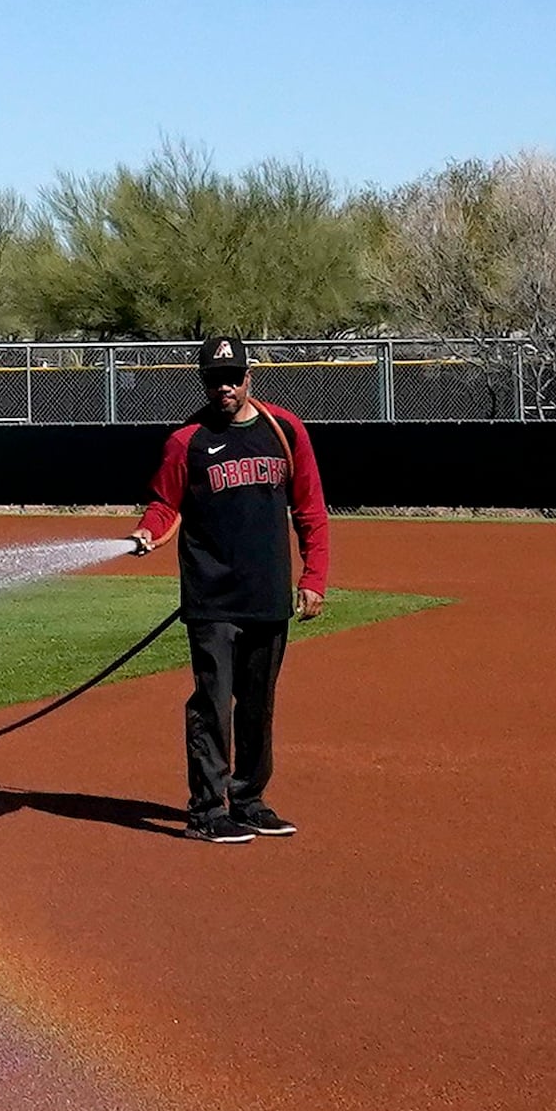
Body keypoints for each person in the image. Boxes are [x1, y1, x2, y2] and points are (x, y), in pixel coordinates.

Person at [119, 335, 331, 841]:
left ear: (249, 376)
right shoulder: (186, 440)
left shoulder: (284, 430)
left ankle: (249, 799)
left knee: (259, 704)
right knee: (212, 703)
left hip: (267, 592)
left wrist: (314, 576)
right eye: (216, 379)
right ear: (204, 382)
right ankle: (205, 810)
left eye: (234, 376)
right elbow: (164, 503)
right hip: (211, 595)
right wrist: (149, 529)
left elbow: (310, 508)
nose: (226, 387)